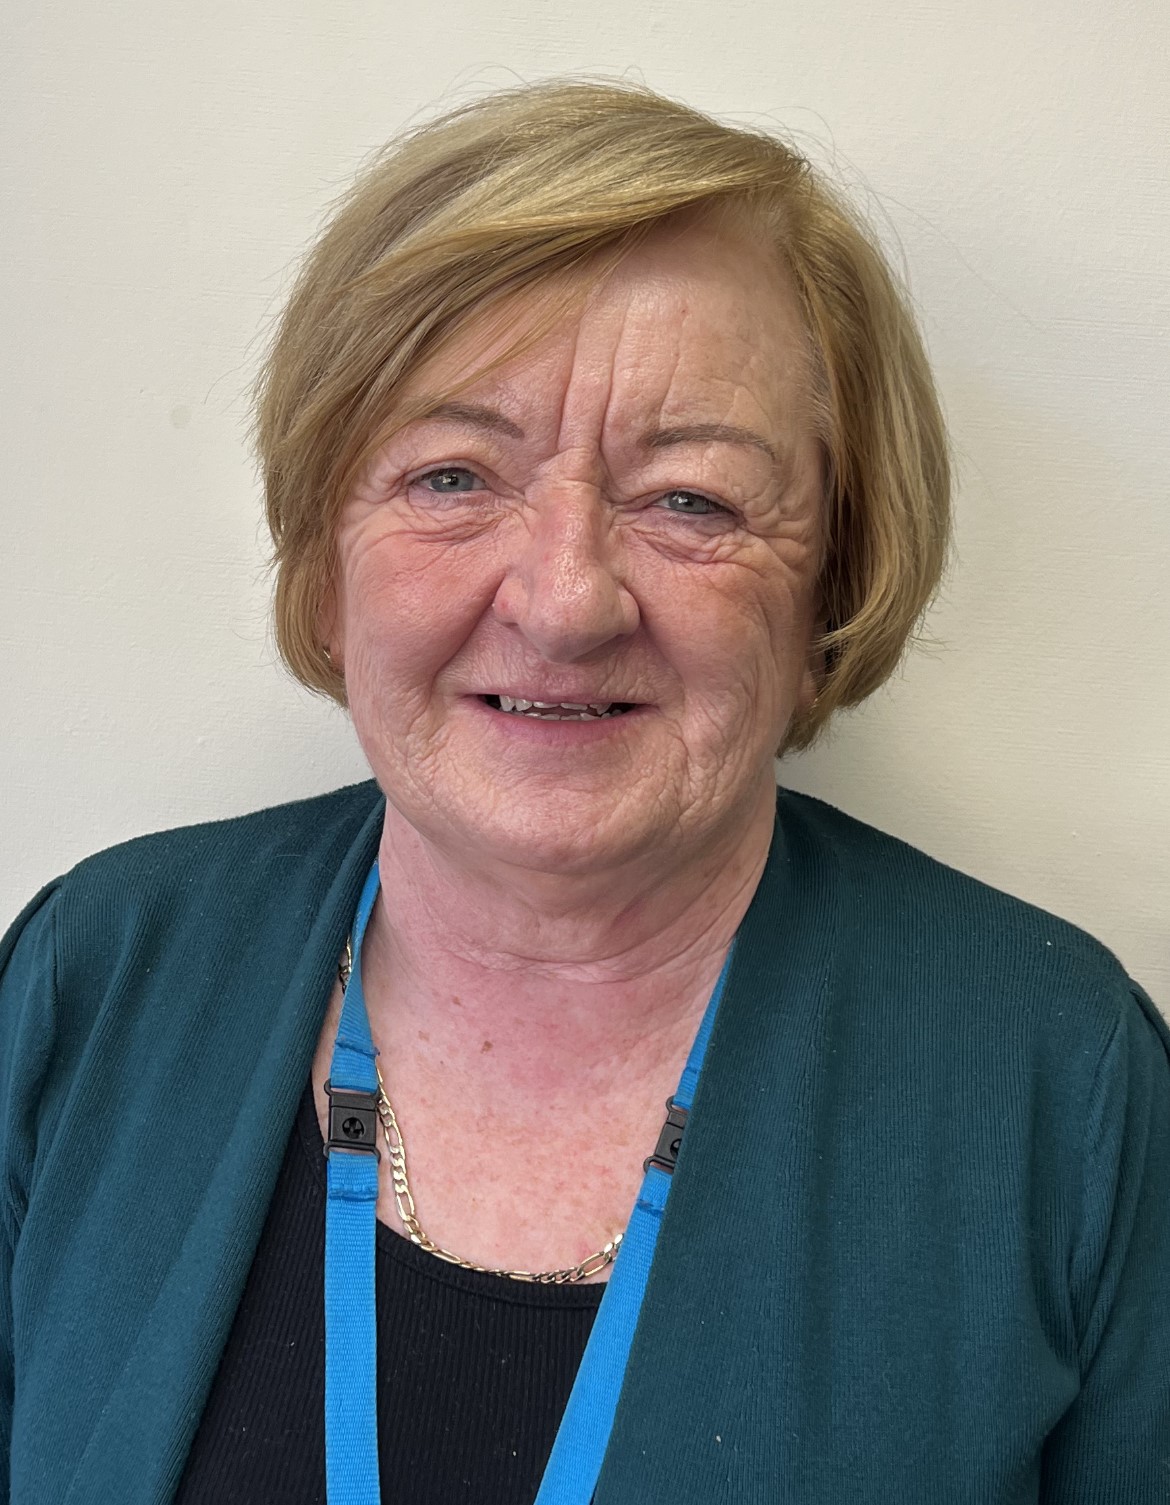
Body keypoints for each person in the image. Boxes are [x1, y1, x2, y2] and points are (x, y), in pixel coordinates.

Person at [1, 77, 1167, 1505]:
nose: (563, 601)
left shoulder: (1056, 1082)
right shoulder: (96, 980)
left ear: (834, 577)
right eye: (452, 477)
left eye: (689, 499)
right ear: (325, 556)